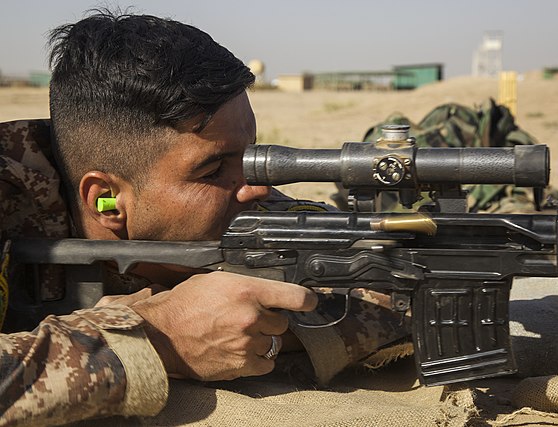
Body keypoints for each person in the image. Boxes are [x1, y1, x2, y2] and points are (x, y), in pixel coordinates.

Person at [0, 10, 408, 426]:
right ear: (107, 199)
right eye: (212, 171)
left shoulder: (245, 203)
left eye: (251, 154)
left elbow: (389, 282)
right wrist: (159, 339)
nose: (256, 187)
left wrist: (262, 326)